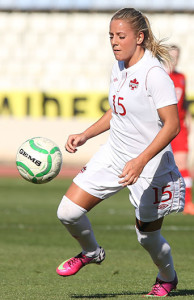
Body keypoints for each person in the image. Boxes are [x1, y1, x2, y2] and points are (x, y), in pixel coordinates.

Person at [56, 8, 185, 297]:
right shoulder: (119, 67)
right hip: (114, 155)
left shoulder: (154, 74)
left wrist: (140, 161)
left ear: (139, 37)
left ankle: (167, 277)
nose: (114, 42)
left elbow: (172, 125)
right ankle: (91, 252)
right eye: (111, 36)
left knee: (147, 237)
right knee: (67, 212)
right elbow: (117, 111)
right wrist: (86, 134)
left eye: (121, 36)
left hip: (150, 168)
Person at [167, 45, 194, 215]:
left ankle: (188, 202)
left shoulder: (181, 77)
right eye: (171, 56)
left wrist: (188, 118)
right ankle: (166, 200)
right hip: (162, 126)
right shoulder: (159, 76)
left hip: (179, 127)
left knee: (183, 163)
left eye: (176, 56)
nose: (173, 59)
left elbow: (183, 102)